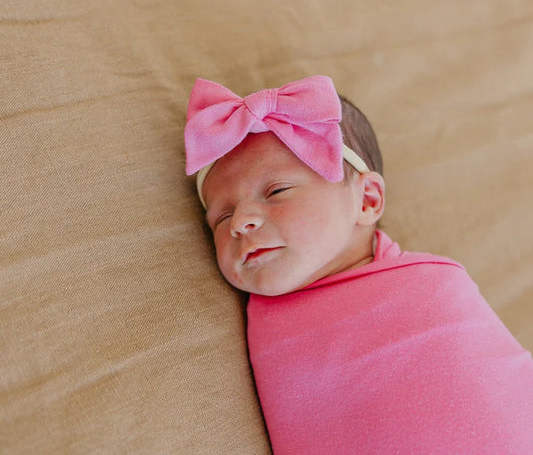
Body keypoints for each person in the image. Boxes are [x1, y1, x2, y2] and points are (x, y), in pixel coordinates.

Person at [184, 76, 533, 454]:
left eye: (277, 191)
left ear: (367, 200)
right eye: (221, 217)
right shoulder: (249, 320)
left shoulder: (431, 286)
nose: (240, 223)